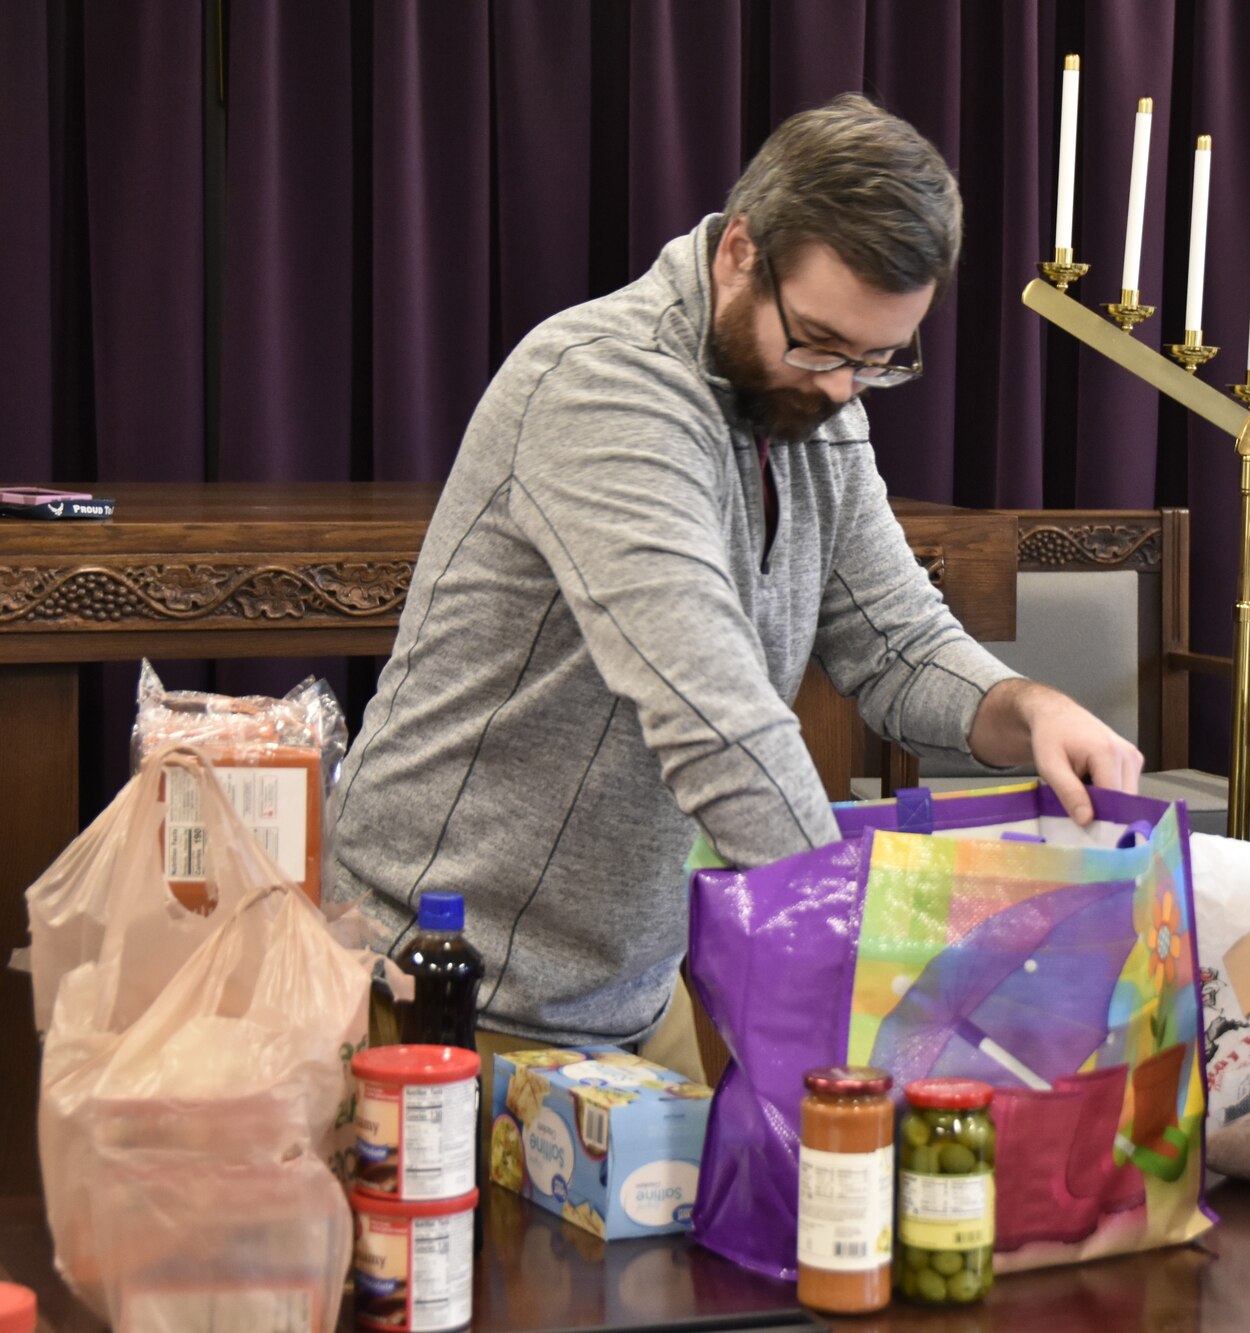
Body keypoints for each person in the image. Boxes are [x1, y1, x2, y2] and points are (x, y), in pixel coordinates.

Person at [326, 94, 1142, 1074]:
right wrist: (886, 954)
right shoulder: (602, 389)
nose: (843, 386)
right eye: (821, 343)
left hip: (619, 991)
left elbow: (897, 644)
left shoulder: (816, 405)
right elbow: (713, 712)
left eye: (878, 361)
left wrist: (1029, 707)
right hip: (439, 988)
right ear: (738, 254)